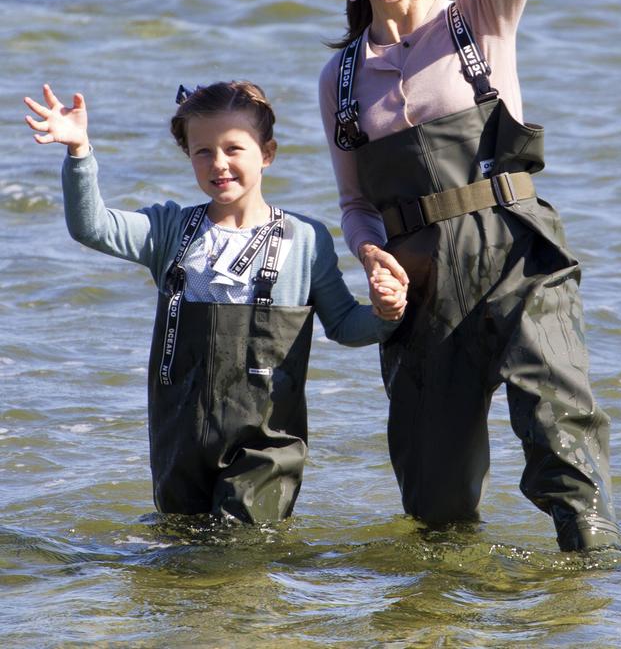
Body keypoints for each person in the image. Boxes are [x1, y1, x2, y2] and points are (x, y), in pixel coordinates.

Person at [318, 0, 621, 552]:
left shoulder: (481, 16)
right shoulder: (342, 77)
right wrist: (371, 259)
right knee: (435, 502)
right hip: (421, 280)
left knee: (561, 439)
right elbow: (354, 203)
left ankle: (594, 600)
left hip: (518, 250)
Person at [24, 80, 406, 523]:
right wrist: (78, 152)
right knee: (181, 558)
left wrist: (385, 313)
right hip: (179, 439)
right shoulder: (169, 230)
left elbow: (344, 324)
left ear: (267, 153)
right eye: (202, 151)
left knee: (241, 555)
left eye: (233, 149)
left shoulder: (304, 240)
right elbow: (92, 226)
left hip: (266, 446)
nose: (218, 164)